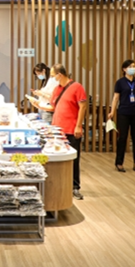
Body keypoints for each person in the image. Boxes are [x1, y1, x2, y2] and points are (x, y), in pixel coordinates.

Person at [32, 64, 87, 199]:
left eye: (53, 75)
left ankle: (75, 187)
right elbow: (53, 107)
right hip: (57, 130)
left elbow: (83, 106)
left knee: (73, 159)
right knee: (57, 158)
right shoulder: (57, 89)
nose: (52, 78)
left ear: (60, 75)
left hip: (71, 128)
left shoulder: (77, 87)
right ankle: (61, 186)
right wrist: (38, 105)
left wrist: (78, 126)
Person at [107, 60, 135, 172]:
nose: (133, 68)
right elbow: (116, 98)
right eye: (130, 66)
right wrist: (112, 111)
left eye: (133, 66)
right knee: (122, 137)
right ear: (124, 69)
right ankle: (119, 163)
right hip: (123, 112)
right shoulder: (120, 82)